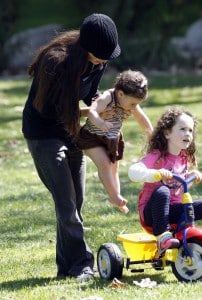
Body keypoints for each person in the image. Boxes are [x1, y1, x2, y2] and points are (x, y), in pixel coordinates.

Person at [22, 13, 122, 282]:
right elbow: (50, 109)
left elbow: (91, 95)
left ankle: (66, 268)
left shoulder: (97, 60)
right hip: (44, 133)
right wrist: (90, 115)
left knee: (76, 202)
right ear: (86, 46)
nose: (104, 61)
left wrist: (104, 110)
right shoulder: (55, 62)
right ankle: (81, 265)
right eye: (100, 55)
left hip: (71, 129)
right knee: (66, 204)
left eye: (106, 57)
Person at [128, 106, 202, 266]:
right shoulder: (157, 156)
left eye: (190, 130)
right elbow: (133, 171)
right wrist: (153, 174)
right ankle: (162, 237)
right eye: (182, 129)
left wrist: (189, 178)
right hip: (153, 214)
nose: (188, 133)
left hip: (173, 210)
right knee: (162, 191)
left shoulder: (183, 158)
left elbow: (177, 188)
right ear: (167, 133)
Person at [77, 70, 153, 213]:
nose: (134, 107)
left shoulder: (132, 103)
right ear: (120, 94)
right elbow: (93, 111)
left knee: (114, 168)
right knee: (104, 164)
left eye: (136, 104)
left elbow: (142, 119)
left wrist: (151, 134)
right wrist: (100, 122)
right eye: (132, 104)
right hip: (92, 137)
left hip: (112, 139)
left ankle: (117, 197)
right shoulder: (108, 97)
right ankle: (114, 196)